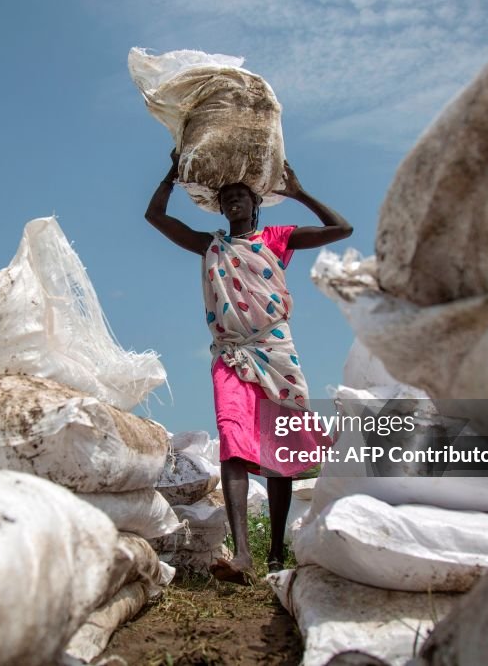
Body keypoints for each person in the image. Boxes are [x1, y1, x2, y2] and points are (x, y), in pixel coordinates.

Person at [145, 150, 352, 584]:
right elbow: (156, 217)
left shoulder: (277, 238)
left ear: (256, 205)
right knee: (233, 441)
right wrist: (171, 174)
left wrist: (299, 192)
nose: (235, 201)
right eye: (228, 198)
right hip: (231, 355)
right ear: (221, 208)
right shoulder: (212, 245)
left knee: (279, 452)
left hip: (276, 353)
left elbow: (341, 228)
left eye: (242, 195)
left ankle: (275, 554)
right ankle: (243, 555)